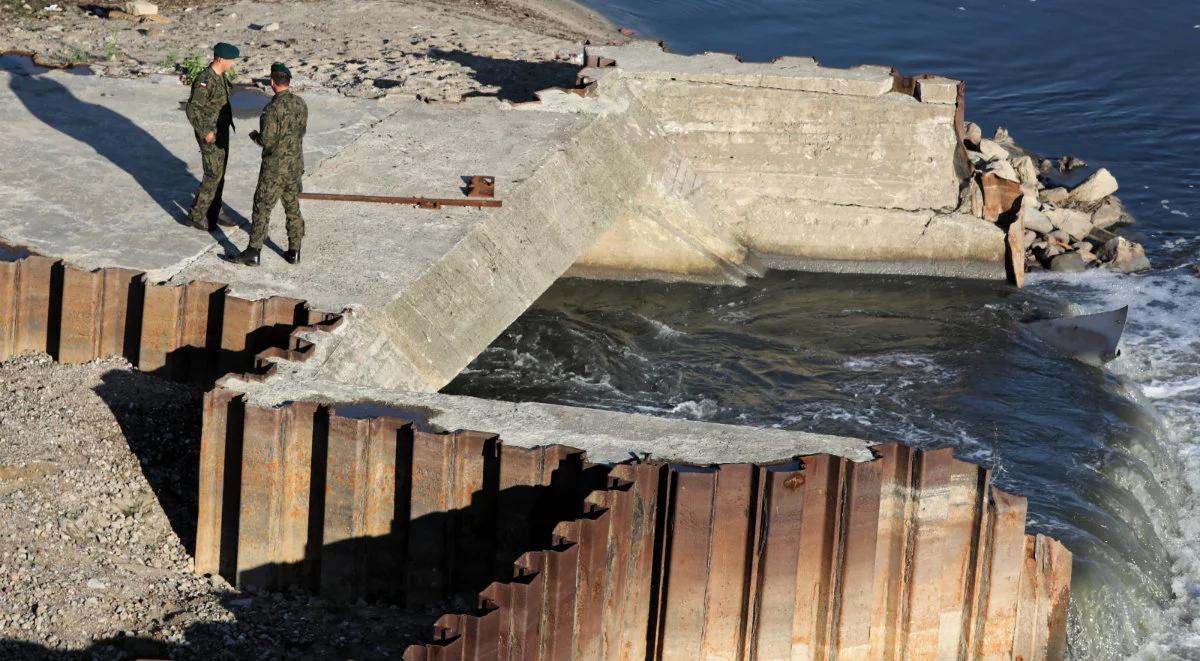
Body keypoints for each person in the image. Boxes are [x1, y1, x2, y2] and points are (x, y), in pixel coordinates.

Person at [228, 63, 308, 266]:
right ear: (288, 82)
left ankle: (253, 251)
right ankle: (294, 250)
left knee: (262, 208)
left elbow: (267, 140)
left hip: (274, 169)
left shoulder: (271, 109)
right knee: (292, 208)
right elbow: (301, 132)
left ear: (273, 82)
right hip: (295, 166)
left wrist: (255, 136)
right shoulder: (300, 104)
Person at [185, 42, 239, 231]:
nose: (233, 63)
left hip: (222, 132)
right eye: (231, 60)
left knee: (220, 174)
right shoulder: (205, 80)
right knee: (213, 174)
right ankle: (196, 215)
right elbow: (192, 109)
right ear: (220, 59)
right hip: (210, 134)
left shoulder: (221, 76)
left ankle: (215, 210)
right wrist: (205, 132)